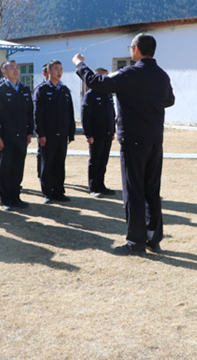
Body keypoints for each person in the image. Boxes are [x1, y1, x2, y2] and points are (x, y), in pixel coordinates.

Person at [73, 33, 175, 255]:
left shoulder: (130, 73)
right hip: (155, 139)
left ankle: (135, 242)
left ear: (136, 49)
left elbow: (96, 83)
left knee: (134, 191)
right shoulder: (162, 75)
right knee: (152, 191)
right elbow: (170, 100)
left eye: (130, 47)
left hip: (134, 140)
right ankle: (153, 239)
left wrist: (80, 64)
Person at [0, 60, 34, 211]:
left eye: (17, 67)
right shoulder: (0, 89)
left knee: (18, 167)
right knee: (5, 168)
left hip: (21, 135)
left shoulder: (24, 89)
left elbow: (30, 112)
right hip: (6, 136)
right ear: (4, 72)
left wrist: (29, 132)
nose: (16, 70)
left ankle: (16, 197)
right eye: (12, 68)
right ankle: (6, 200)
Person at [33, 59, 75, 204]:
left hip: (62, 134)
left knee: (59, 164)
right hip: (48, 135)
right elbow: (37, 114)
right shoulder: (42, 90)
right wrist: (40, 133)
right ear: (48, 71)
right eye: (56, 69)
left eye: (61, 69)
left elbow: (70, 113)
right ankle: (47, 193)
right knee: (47, 164)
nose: (59, 72)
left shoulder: (65, 90)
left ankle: (59, 192)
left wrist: (71, 133)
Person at [81, 68, 116, 198]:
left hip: (107, 133)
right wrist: (88, 134)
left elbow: (112, 114)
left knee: (103, 161)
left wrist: (112, 131)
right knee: (95, 161)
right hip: (96, 135)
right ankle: (93, 187)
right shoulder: (90, 95)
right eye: (104, 77)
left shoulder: (108, 94)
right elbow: (85, 116)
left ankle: (101, 185)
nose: (107, 80)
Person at [34, 63, 49, 179]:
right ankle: (41, 173)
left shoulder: (60, 88)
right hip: (44, 127)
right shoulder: (40, 89)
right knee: (42, 152)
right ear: (45, 73)